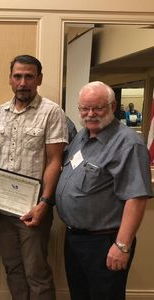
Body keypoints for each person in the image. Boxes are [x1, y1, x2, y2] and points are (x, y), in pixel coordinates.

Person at [55, 81, 152, 300]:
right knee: (80, 295)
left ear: (113, 106)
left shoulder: (129, 144)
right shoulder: (81, 136)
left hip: (104, 241)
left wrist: (122, 246)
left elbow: (136, 198)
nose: (90, 114)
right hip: (74, 238)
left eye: (98, 108)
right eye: (84, 109)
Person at [0, 55, 68, 300]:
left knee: (36, 273)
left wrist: (45, 203)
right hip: (2, 209)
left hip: (32, 210)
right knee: (13, 269)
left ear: (39, 79)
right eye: (18, 76)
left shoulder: (51, 112)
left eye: (29, 76)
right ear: (10, 79)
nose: (23, 82)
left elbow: (55, 161)